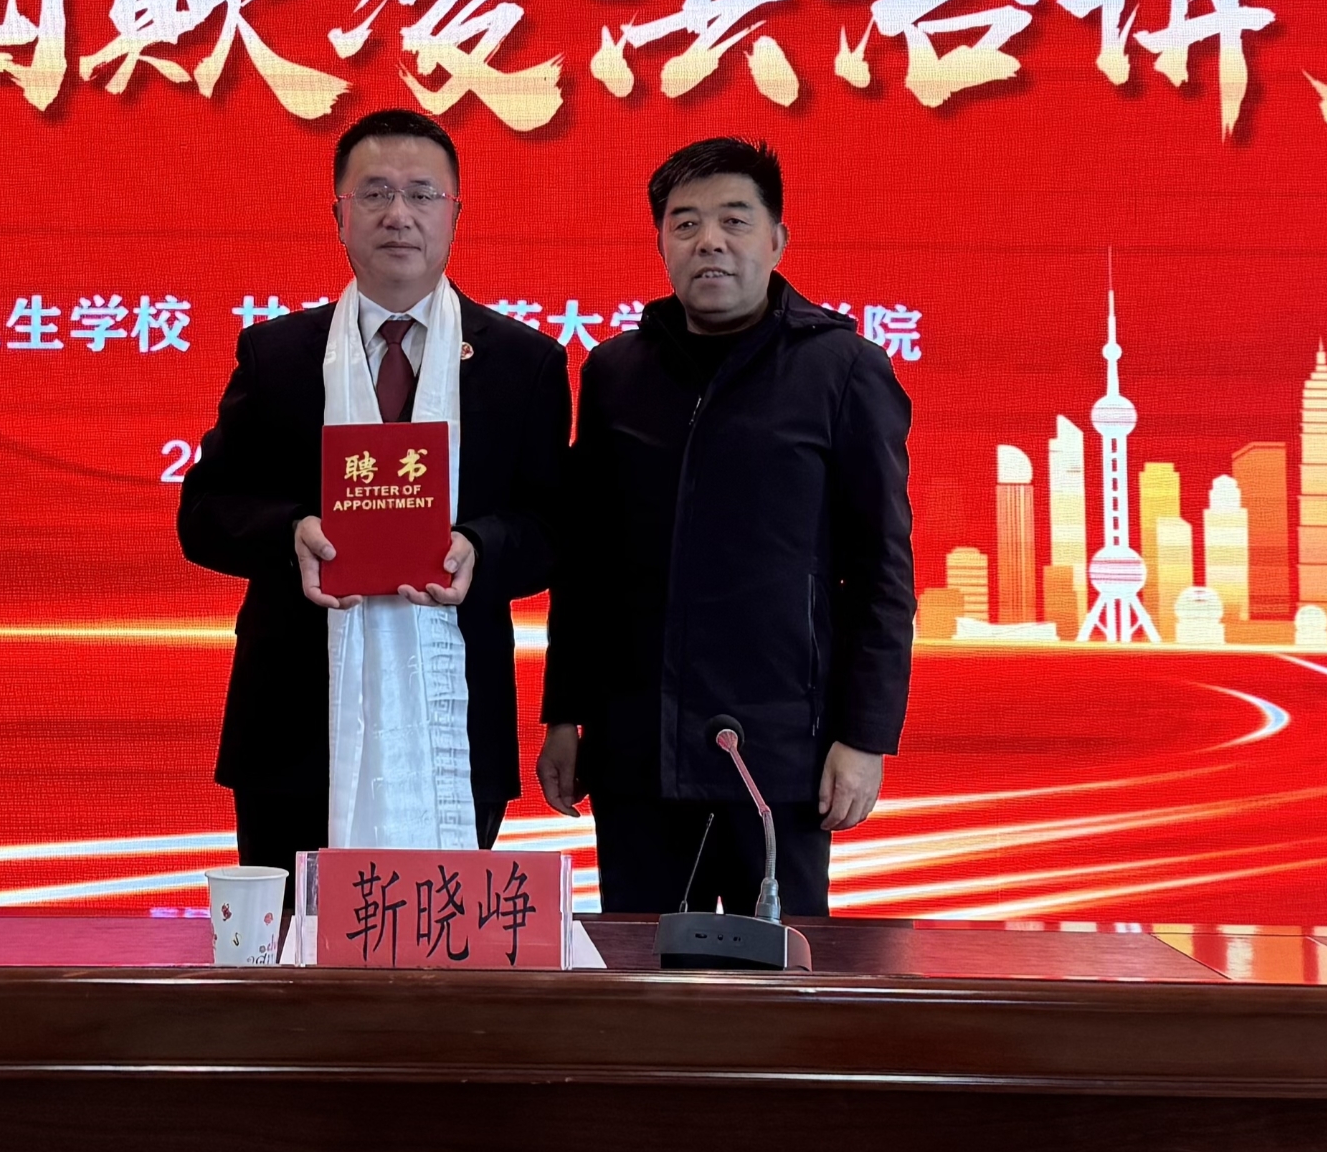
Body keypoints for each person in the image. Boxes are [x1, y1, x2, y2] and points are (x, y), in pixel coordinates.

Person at [181, 108, 571, 873]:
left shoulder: (523, 362)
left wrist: (480, 547)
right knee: (289, 941)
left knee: (441, 935)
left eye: (422, 194)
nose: (399, 214)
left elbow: (553, 526)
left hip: (455, 713)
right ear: (339, 214)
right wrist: (290, 533)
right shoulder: (276, 355)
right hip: (294, 723)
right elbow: (204, 512)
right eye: (376, 193)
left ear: (455, 213)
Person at [537, 136, 914, 918]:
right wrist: (564, 716)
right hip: (638, 750)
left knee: (779, 978)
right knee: (641, 971)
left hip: (779, 756)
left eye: (734, 220)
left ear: (777, 239)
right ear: (662, 242)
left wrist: (865, 737)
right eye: (686, 223)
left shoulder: (843, 368)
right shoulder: (616, 373)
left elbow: (882, 572)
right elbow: (586, 564)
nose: (709, 240)